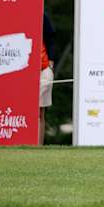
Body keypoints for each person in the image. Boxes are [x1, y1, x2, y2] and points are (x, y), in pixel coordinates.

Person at [39, 13, 56, 145]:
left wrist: (50, 61)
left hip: (43, 67)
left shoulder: (41, 14)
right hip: (23, 71)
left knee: (39, 112)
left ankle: (37, 147)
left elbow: (50, 38)